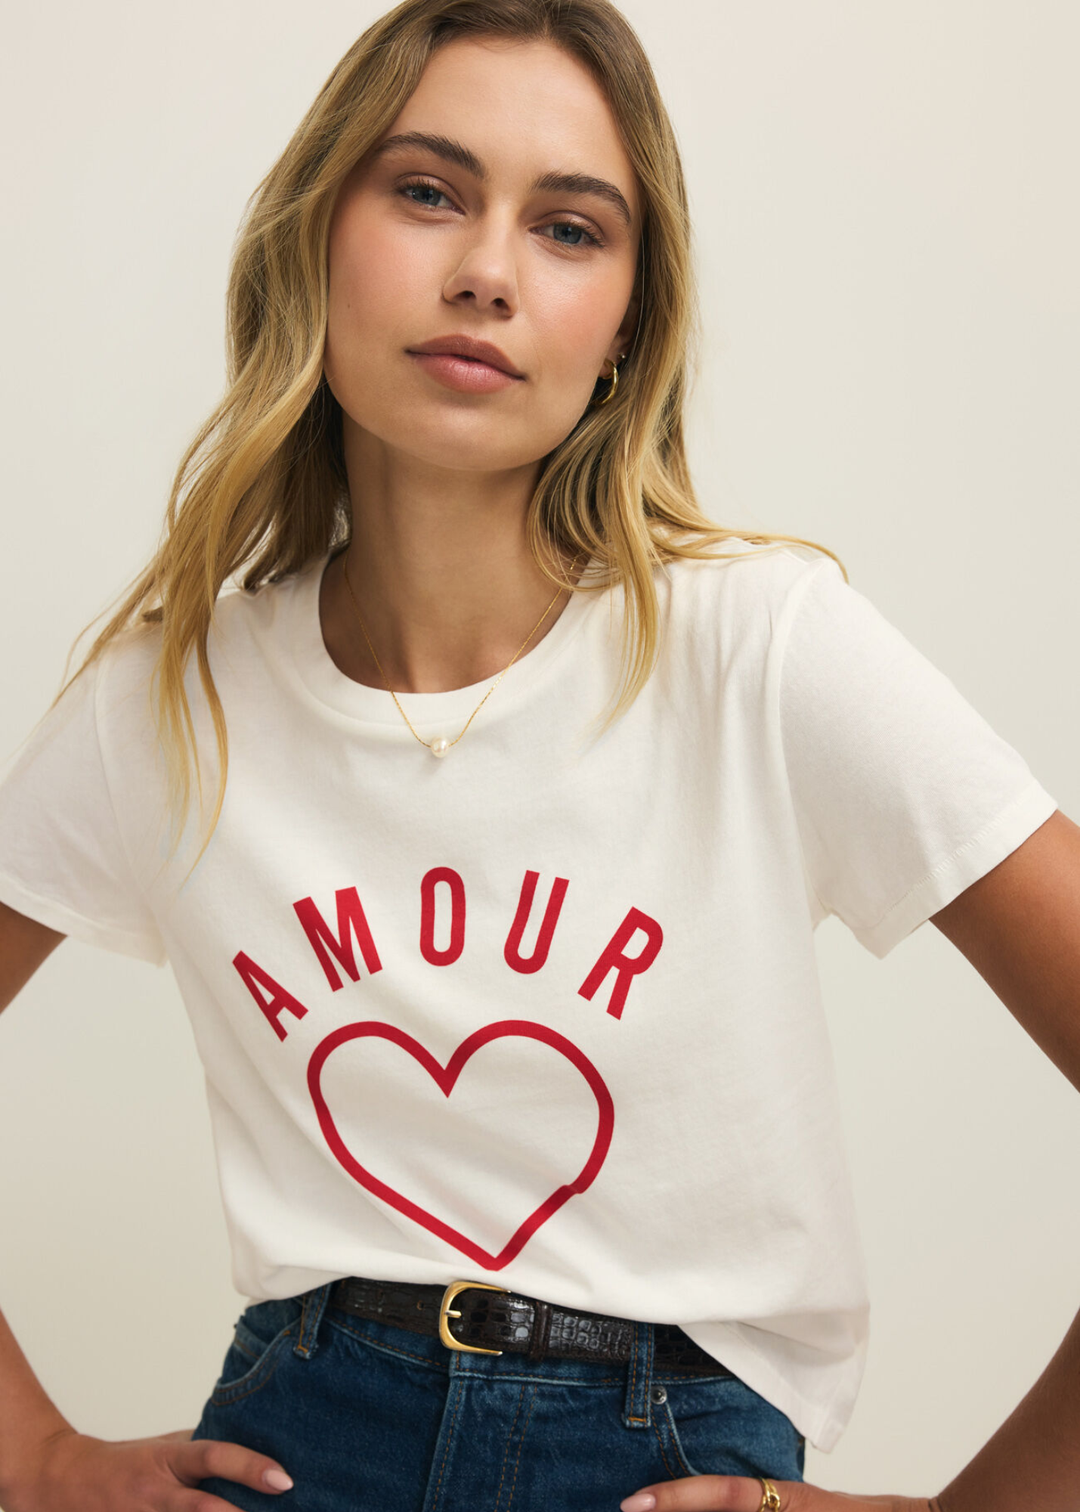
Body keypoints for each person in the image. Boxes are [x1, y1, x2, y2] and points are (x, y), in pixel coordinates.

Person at [0, 1, 1077, 1509]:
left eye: (570, 228)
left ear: (629, 320)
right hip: (305, 1439)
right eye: (428, 191)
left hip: (668, 1455)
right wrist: (32, 1458)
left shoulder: (760, 652)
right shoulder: (171, 698)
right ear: (319, 232)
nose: (487, 274)